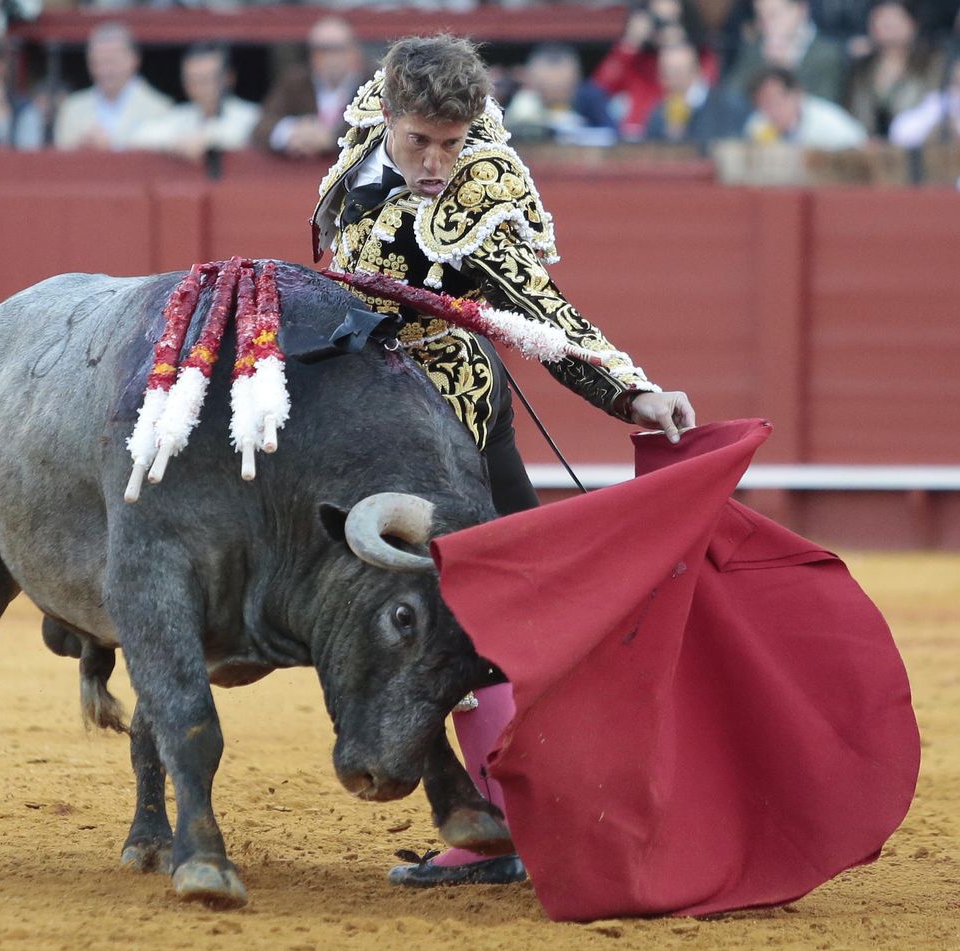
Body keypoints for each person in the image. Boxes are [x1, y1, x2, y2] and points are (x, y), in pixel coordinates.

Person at [309, 34, 696, 888]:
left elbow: (541, 312)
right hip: (362, 419)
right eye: (420, 142)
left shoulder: (480, 188)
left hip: (452, 421)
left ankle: (513, 825)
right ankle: (508, 817)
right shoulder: (372, 114)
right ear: (389, 113)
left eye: (451, 143)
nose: (436, 163)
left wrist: (632, 391)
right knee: (450, 615)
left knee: (494, 615)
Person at [592, 0, 710, 140]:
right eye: (656, 20)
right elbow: (599, 89)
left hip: (683, 136)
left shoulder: (701, 56)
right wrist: (630, 43)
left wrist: (676, 47)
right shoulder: (636, 59)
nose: (661, 27)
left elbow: (705, 94)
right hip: (637, 137)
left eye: (670, 22)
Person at [251, 15, 366, 158]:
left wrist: (333, 138)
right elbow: (261, 127)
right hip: (297, 168)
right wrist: (290, 133)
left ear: (354, 51)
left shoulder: (372, 82)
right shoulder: (294, 82)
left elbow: (380, 130)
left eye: (337, 49)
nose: (330, 58)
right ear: (311, 54)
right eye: (322, 50)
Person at [51, 21, 171, 151]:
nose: (104, 71)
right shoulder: (72, 108)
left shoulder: (159, 108)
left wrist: (112, 146)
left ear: (133, 60)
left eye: (111, 62)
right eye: (97, 62)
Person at [128, 43, 259, 160]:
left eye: (206, 79)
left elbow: (248, 136)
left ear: (229, 78)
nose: (199, 88)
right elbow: (137, 138)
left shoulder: (251, 115)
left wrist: (210, 139)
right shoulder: (180, 116)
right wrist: (173, 143)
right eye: (192, 80)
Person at [845, 0, 946, 136]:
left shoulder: (930, 63)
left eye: (894, 18)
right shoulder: (861, 67)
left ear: (912, 24)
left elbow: (935, 107)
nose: (887, 25)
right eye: (880, 18)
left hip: (915, 142)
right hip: (865, 143)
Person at [724, 0, 851, 105]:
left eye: (773, 14)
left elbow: (823, 108)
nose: (765, 24)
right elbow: (732, 95)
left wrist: (785, 70)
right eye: (760, 16)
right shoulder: (755, 49)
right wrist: (767, 66)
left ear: (801, 10)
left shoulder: (827, 54)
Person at [502, 43, 616, 144]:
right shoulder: (521, 100)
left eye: (562, 87)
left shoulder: (591, 97)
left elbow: (612, 134)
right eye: (547, 87)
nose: (555, 94)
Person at [644, 42, 752, 145]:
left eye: (677, 71)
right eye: (665, 71)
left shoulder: (729, 105)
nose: (668, 78)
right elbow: (649, 148)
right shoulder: (660, 112)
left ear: (696, 70)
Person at [745, 63, 870, 145]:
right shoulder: (758, 125)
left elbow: (862, 147)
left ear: (796, 94)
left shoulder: (829, 123)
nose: (771, 110)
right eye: (763, 105)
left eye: (775, 101)